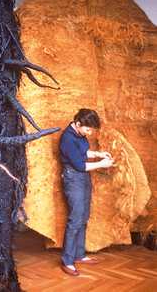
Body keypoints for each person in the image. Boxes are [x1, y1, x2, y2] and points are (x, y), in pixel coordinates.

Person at [59, 108, 114, 276]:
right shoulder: (67, 138)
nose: (89, 133)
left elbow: (83, 153)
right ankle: (67, 261)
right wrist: (102, 164)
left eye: (91, 130)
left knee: (83, 217)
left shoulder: (80, 135)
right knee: (75, 218)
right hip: (73, 177)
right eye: (88, 129)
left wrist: (98, 154)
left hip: (83, 177)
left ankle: (79, 255)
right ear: (77, 124)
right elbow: (80, 165)